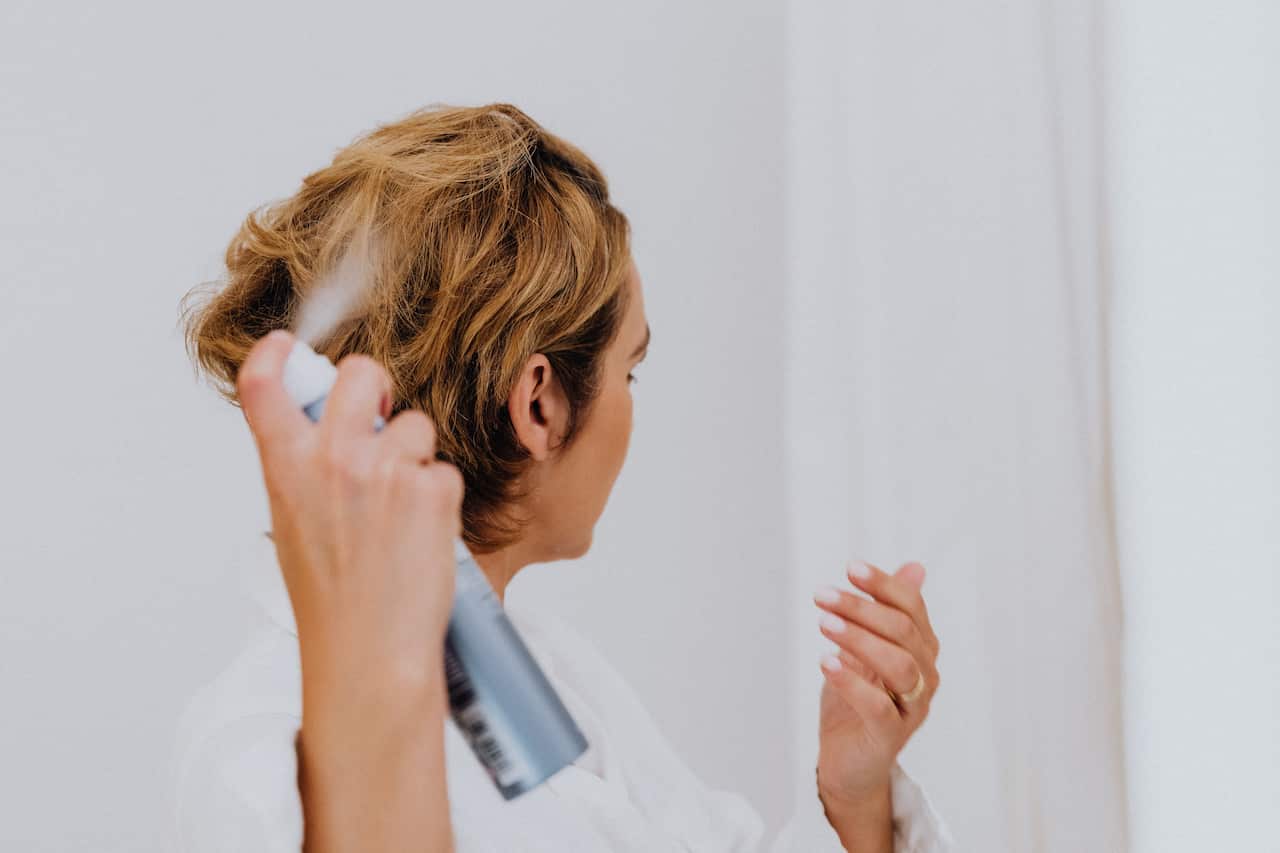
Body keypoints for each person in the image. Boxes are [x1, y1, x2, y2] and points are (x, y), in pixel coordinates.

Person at [173, 104, 954, 852]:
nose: (632, 405)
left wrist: (856, 797)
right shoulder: (260, 749)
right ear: (540, 403)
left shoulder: (549, 674)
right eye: (630, 369)